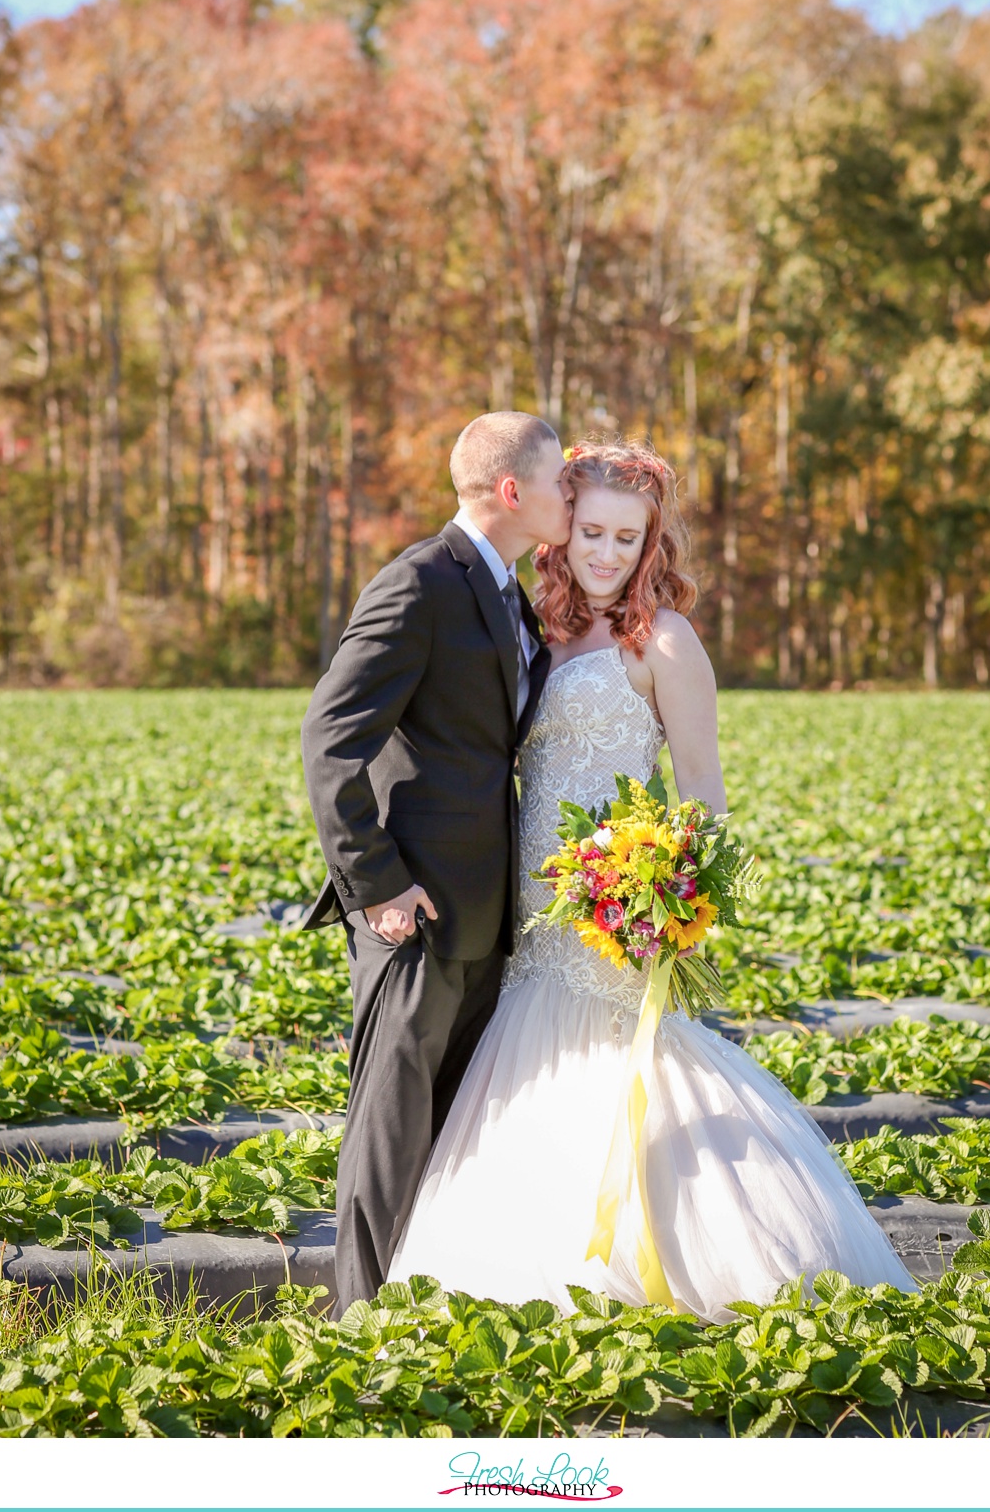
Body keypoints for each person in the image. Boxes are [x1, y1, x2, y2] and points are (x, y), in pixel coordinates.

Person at [386, 439, 917, 1319]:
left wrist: (661, 892)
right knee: (532, 1073)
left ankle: (675, 1266)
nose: (605, 553)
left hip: (617, 914)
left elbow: (704, 800)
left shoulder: (663, 641)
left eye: (627, 539)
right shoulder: (533, 627)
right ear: (561, 530)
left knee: (625, 1073)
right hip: (531, 913)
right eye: (591, 531)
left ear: (650, 544)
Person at [300, 411, 573, 1317]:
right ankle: (358, 1320)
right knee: (391, 1124)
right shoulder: (418, 582)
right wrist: (376, 885)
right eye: (557, 477)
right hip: (412, 913)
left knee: (455, 1125)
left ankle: (431, 1302)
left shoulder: (507, 590)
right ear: (510, 491)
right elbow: (332, 737)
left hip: (488, 913)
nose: (567, 492)